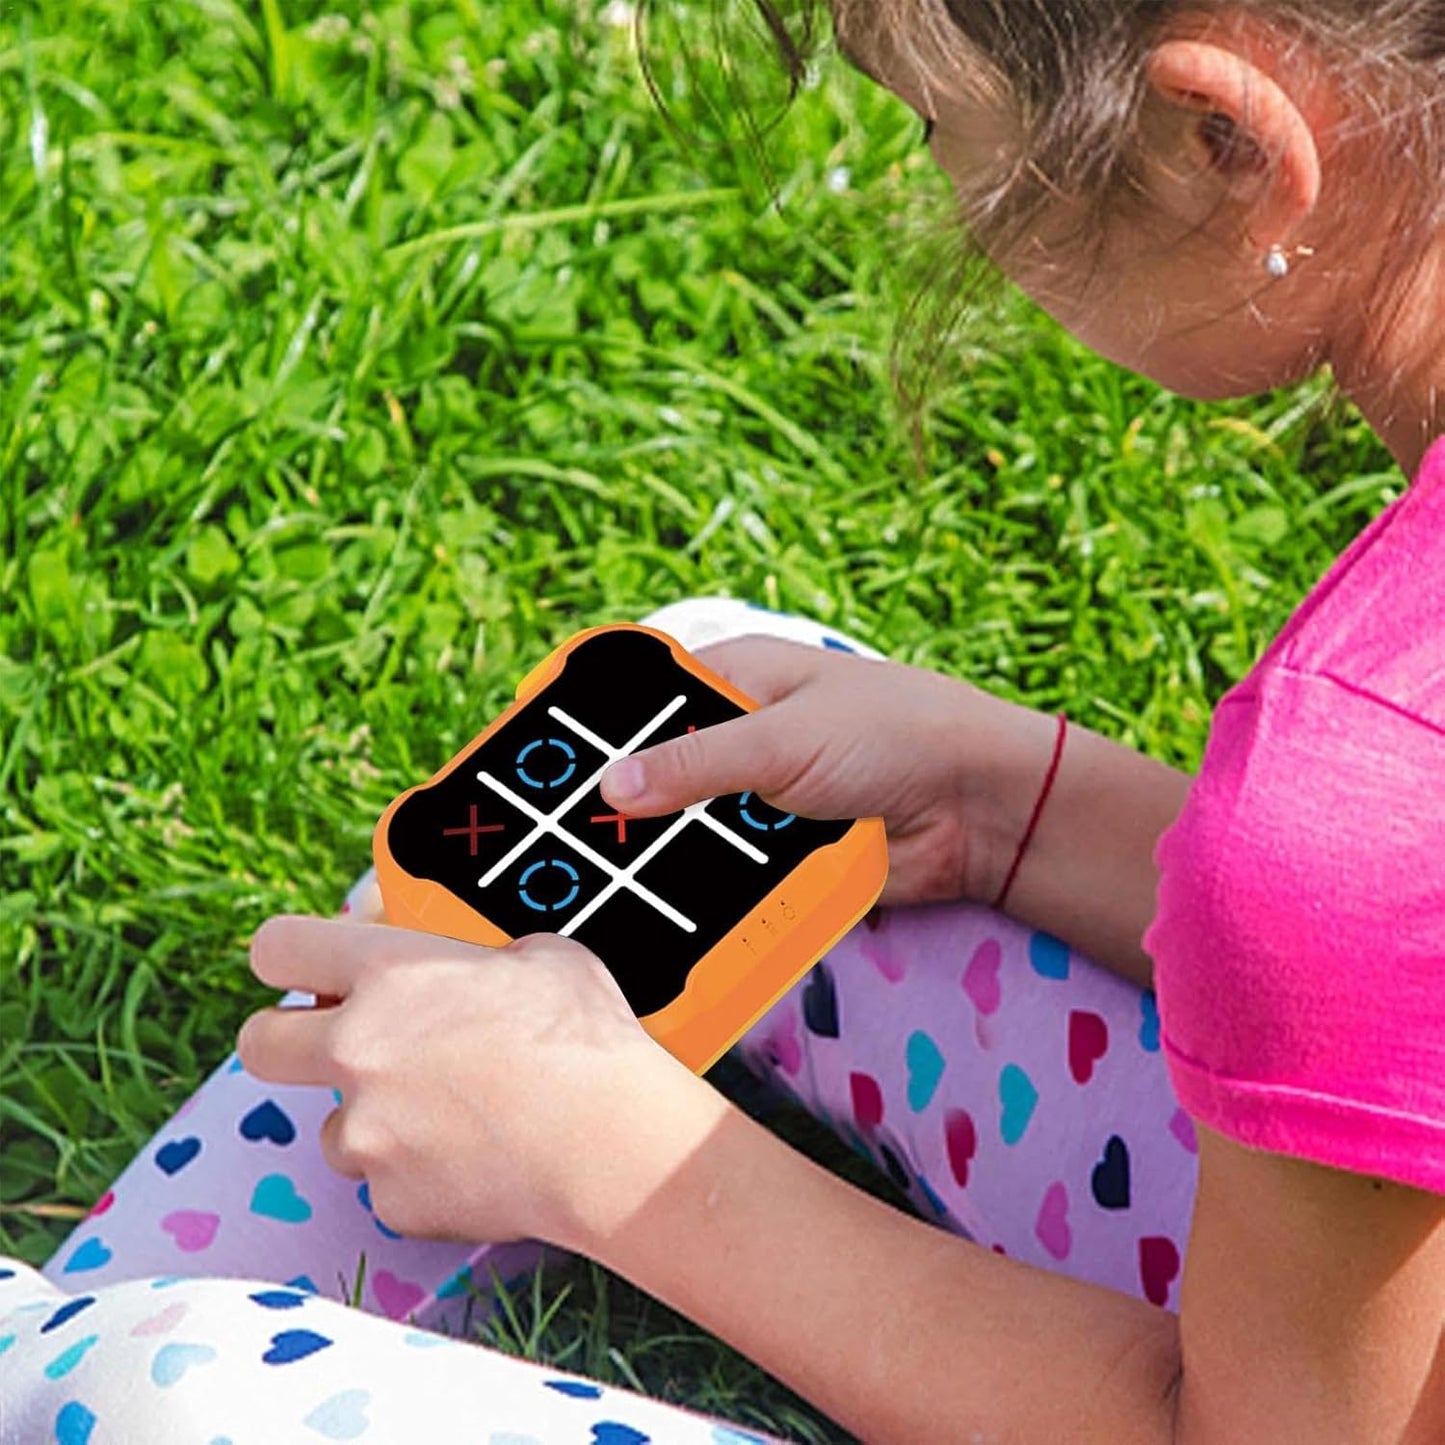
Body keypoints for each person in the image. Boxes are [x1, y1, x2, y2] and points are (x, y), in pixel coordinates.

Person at [3, 1, 1441, 1440]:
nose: (943, 191)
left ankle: (56, 1365)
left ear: (1220, 143)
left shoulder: (1348, 782)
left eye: (936, 127)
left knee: (145, 1396)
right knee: (704, 729)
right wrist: (1019, 805)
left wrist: (610, 1157)